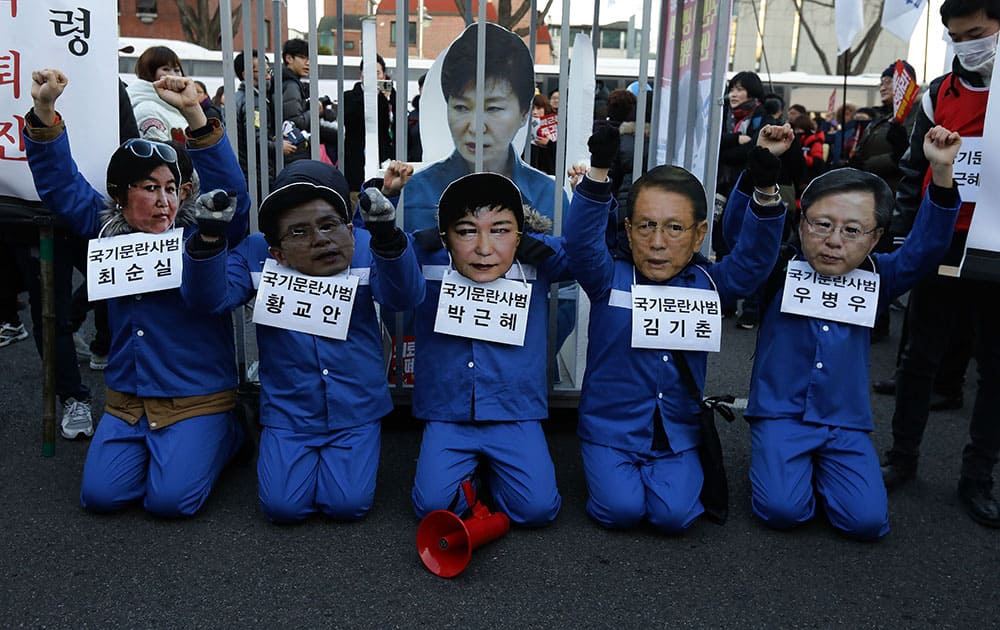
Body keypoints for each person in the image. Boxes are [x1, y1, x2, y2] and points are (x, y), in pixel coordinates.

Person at [24, 68, 251, 517]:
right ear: (121, 197)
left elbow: (233, 202)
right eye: (149, 188)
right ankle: (172, 450)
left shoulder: (200, 237)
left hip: (195, 398)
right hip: (127, 404)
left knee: (171, 502)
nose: (164, 200)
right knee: (101, 497)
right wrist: (45, 111)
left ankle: (230, 430)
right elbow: (61, 186)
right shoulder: (107, 231)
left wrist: (195, 114)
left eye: (171, 188)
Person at [727, 127, 962, 540]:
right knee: (782, 511)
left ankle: (816, 474)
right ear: (800, 225)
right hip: (780, 414)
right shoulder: (777, 269)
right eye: (821, 224)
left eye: (853, 230)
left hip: (845, 422)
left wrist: (941, 172)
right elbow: (737, 238)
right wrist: (759, 169)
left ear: (875, 239)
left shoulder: (879, 276)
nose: (834, 241)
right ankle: (789, 470)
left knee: (867, 523)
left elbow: (926, 248)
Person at [563, 125, 790, 532]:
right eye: (646, 226)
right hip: (610, 428)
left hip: (678, 431)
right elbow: (580, 245)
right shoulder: (606, 277)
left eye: (674, 228)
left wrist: (767, 189)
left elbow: (754, 262)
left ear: (699, 234)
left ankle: (657, 477)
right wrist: (598, 172)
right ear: (628, 230)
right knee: (620, 511)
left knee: (674, 516)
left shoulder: (709, 283)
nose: (658, 242)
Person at [182, 159, 424, 523]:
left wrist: (388, 236)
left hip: (356, 408)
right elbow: (208, 301)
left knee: (348, 505)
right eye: (297, 232)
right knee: (282, 507)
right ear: (275, 250)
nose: (319, 239)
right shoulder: (254, 252)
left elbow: (404, 297)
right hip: (288, 411)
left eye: (329, 225)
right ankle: (239, 439)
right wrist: (209, 239)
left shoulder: (365, 246)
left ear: (349, 226)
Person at [881, 0, 1000, 529]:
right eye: (957, 38)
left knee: (995, 370)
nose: (968, 46)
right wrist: (908, 242)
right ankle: (901, 458)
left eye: (977, 33)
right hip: (940, 244)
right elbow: (911, 173)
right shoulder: (937, 94)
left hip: (996, 252)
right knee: (918, 359)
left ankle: (978, 478)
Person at [407, 171, 571, 526]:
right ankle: (473, 479)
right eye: (466, 230)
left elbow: (586, 252)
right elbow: (388, 256)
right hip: (448, 411)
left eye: (500, 229)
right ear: (445, 236)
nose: (484, 248)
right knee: (432, 508)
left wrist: (594, 189)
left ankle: (496, 478)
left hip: (514, 410)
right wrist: (383, 211)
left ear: (521, 233)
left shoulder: (538, 257)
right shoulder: (425, 256)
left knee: (537, 510)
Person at [401, 23, 564, 233]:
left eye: (494, 108)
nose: (476, 127)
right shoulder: (417, 193)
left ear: (524, 113)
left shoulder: (549, 199)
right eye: (461, 107)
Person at [235, 49, 293, 198]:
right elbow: (255, 140)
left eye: (269, 71)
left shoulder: (238, 97)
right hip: (256, 174)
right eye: (262, 71)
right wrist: (279, 147)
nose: (268, 76)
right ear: (245, 75)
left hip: (244, 172)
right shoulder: (254, 102)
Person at [343, 54, 396, 198]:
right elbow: (352, 118)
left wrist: (387, 99)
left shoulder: (390, 98)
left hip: (384, 164)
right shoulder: (349, 97)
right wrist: (373, 98)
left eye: (377, 73)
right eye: (369, 73)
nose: (373, 77)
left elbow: (395, 127)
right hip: (357, 165)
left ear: (384, 75)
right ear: (361, 74)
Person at [127, 46, 188, 142]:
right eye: (166, 69)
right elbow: (160, 154)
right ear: (148, 71)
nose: (173, 75)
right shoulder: (147, 109)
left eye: (176, 70)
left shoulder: (176, 105)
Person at [276, 38, 312, 164]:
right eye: (302, 57)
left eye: (309, 58)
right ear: (289, 58)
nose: (307, 63)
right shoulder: (291, 85)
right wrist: (315, 111)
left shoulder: (283, 81)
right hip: (291, 151)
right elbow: (295, 121)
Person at [529, 93, 557, 176]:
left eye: (538, 108)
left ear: (545, 108)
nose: (534, 112)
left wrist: (549, 143)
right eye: (532, 109)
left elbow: (562, 151)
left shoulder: (555, 126)